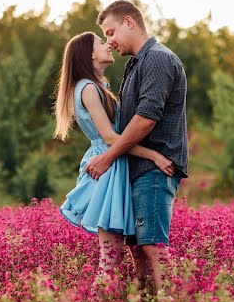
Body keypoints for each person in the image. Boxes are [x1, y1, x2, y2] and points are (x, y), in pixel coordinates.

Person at [54, 31, 175, 288]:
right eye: (101, 42)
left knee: (116, 255)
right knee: (110, 259)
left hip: (114, 166)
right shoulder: (87, 88)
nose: (108, 44)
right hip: (107, 168)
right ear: (89, 53)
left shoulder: (97, 86)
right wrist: (153, 155)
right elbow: (111, 139)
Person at [85, 0, 188, 293]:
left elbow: (145, 119)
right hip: (138, 169)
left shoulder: (156, 58)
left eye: (111, 32)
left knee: (153, 246)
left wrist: (108, 157)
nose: (110, 41)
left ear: (129, 22)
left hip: (154, 171)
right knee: (139, 249)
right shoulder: (136, 63)